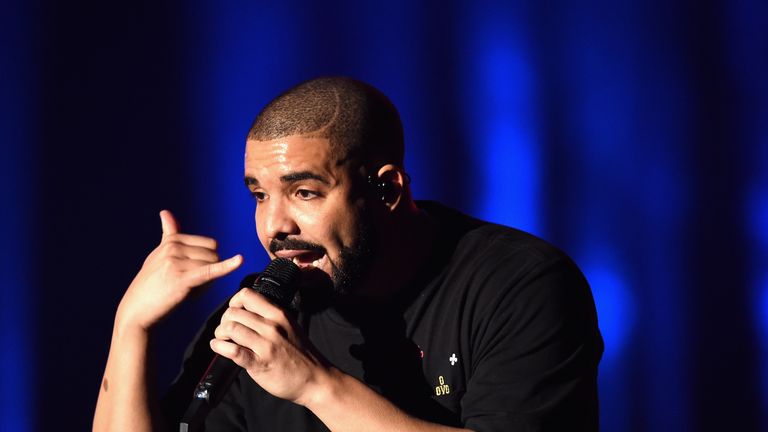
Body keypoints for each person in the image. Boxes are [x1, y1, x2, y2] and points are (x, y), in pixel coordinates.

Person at [93, 77, 603, 432]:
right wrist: (130, 327)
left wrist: (315, 384)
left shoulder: (520, 285)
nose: (275, 226)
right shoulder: (265, 309)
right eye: (259, 195)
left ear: (386, 192)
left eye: (305, 193)